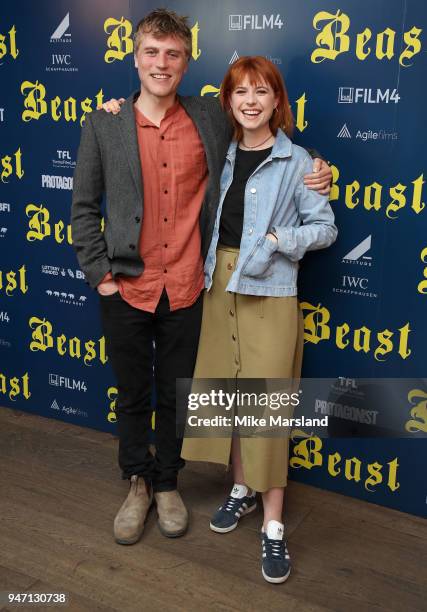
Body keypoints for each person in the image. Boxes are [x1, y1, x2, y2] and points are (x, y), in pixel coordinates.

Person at [72, 8, 332, 547]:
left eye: (172, 54)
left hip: (192, 285)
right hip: (126, 286)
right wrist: (100, 275)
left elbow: (266, 141)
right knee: (132, 395)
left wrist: (316, 168)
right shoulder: (103, 123)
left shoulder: (210, 118)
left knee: (177, 394)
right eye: (151, 52)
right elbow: (82, 208)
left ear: (187, 63)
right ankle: (137, 484)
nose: (161, 63)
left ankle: (168, 482)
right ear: (135, 56)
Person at [181, 56, 337, 584]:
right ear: (228, 101)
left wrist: (278, 242)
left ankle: (273, 525)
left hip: (269, 288)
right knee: (229, 394)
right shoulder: (220, 150)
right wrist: (114, 111)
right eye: (241, 91)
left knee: (267, 403)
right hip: (217, 282)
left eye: (261, 91)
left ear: (277, 101)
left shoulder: (299, 162)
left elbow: (324, 229)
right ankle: (242, 491)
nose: (250, 100)